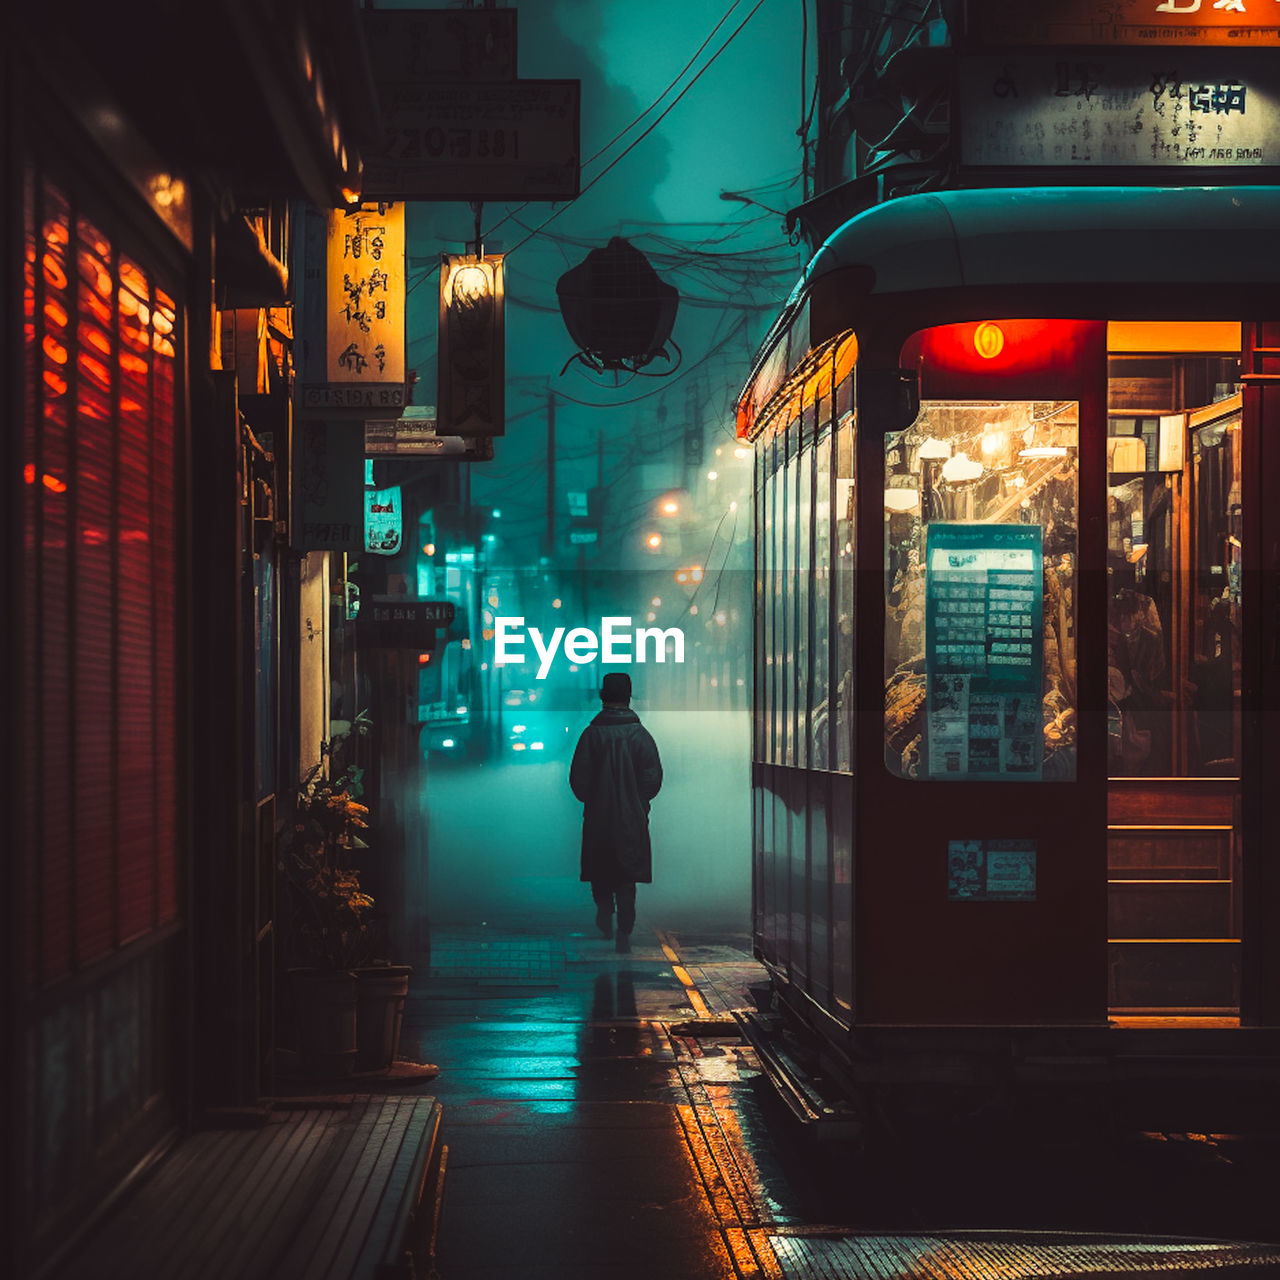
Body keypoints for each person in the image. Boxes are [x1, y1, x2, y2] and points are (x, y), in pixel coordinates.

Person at [569, 672, 663, 953]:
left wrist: (593, 799)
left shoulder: (590, 735)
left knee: (601, 871)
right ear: (628, 696)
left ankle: (604, 913)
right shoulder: (640, 735)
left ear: (602, 696)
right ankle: (625, 928)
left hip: (598, 817)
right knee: (626, 876)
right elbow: (653, 777)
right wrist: (638, 801)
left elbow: (578, 779)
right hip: (631, 818)